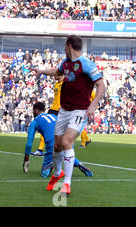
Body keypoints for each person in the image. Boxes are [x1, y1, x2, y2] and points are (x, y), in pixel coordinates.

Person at [31, 35, 106, 195]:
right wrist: (41, 71)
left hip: (80, 110)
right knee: (56, 146)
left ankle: (67, 183)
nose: (63, 49)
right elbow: (56, 71)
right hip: (64, 110)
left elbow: (101, 85)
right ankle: (58, 174)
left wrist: (93, 105)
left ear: (69, 45)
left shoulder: (86, 64)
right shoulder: (66, 63)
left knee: (66, 142)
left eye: (64, 47)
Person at [23, 102, 93, 178]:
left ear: (36, 110)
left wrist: (26, 159)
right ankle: (79, 164)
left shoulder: (35, 121)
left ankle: (51, 163)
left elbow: (29, 143)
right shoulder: (53, 115)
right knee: (66, 154)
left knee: (44, 174)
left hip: (53, 144)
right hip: (67, 139)